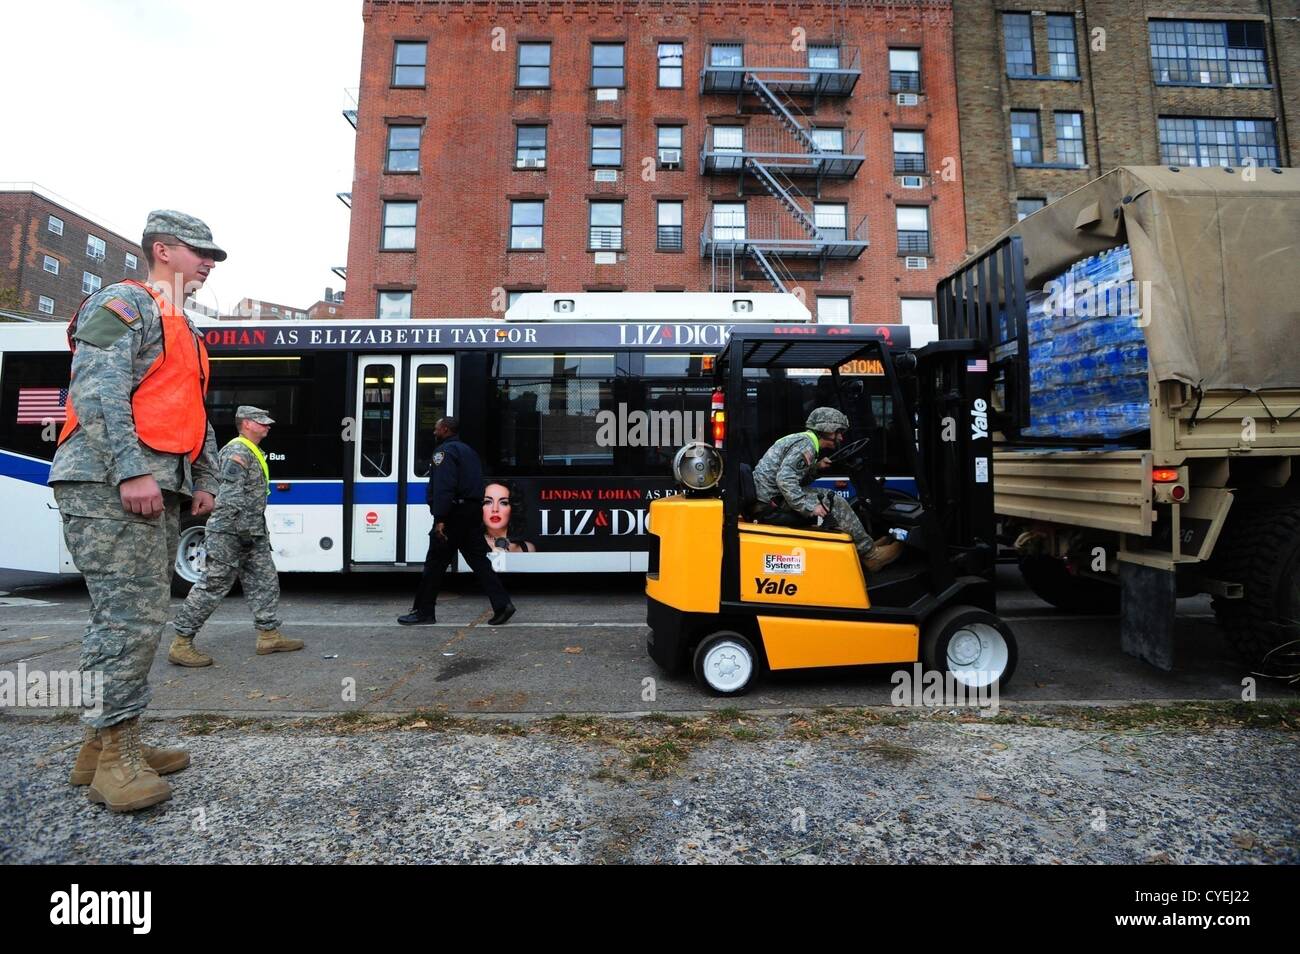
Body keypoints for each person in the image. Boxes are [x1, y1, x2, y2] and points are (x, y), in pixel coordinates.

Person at [51, 209, 224, 812]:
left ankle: (101, 749)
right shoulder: (124, 303)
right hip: (106, 481)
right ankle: (116, 756)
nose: (208, 262)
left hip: (156, 483)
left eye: (211, 255)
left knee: (126, 618)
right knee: (130, 619)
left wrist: (201, 479)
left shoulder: (188, 327)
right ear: (162, 250)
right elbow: (98, 391)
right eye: (198, 252)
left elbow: (193, 411)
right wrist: (131, 469)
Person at [167, 406, 303, 666]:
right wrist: (240, 532)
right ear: (247, 424)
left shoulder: (252, 451)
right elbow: (228, 498)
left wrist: (250, 533)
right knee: (214, 585)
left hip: (252, 532)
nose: (267, 426)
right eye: (262, 422)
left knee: (264, 581)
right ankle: (181, 642)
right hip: (231, 532)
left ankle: (269, 635)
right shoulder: (237, 452)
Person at [752, 406, 902, 573]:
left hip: (771, 498)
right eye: (838, 432)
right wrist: (809, 507)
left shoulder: (805, 442)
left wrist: (816, 468)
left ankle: (864, 544)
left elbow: (794, 477)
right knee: (836, 502)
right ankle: (871, 556)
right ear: (827, 429)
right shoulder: (806, 445)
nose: (841, 437)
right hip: (772, 503)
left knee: (828, 497)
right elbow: (785, 480)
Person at [399, 417, 515, 626]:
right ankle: (502, 604)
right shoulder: (468, 451)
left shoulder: (443, 453)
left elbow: (444, 487)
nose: (434, 432)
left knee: (434, 564)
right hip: (470, 512)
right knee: (479, 562)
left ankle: (424, 612)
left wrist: (440, 519)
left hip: (453, 514)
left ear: (445, 429)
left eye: (436, 429)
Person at [482, 480, 536, 553]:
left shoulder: (527, 548)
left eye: (503, 503)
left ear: (513, 508)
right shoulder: (470, 547)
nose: (495, 509)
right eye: (488, 502)